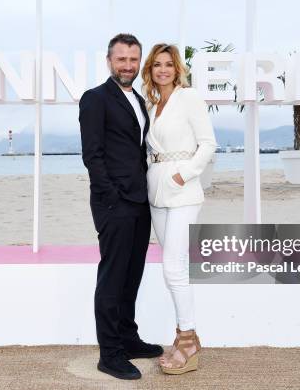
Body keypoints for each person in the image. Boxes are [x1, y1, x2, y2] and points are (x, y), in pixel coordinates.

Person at [78, 33, 163, 381]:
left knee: (132, 275)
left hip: (139, 200)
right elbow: (92, 155)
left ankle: (128, 339)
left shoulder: (139, 101)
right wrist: (111, 196)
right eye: (121, 59)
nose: (127, 66)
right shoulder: (95, 99)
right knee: (113, 278)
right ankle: (109, 354)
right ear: (109, 61)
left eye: (133, 60)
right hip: (115, 203)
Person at [141, 43, 217, 375]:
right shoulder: (150, 103)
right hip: (156, 191)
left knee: (174, 267)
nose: (163, 70)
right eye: (157, 64)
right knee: (170, 267)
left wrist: (181, 174)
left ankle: (188, 339)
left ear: (177, 69)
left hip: (184, 189)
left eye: (168, 64)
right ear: (150, 69)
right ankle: (183, 335)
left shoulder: (189, 98)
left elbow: (209, 144)